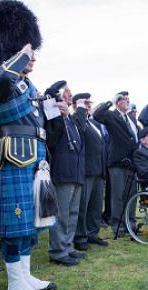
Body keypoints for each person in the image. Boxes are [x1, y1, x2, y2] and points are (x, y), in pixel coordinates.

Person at [0, 1, 55, 290]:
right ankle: (15, 285)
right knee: (15, 224)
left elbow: (36, 116)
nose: (32, 57)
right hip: (15, 157)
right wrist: (21, 57)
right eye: (27, 49)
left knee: (29, 225)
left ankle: (24, 277)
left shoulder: (25, 84)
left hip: (34, 157)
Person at [46, 82, 87, 267]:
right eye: (66, 91)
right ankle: (58, 251)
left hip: (76, 171)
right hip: (63, 171)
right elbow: (52, 139)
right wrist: (59, 114)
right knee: (62, 214)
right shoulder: (54, 112)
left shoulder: (70, 118)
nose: (70, 94)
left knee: (72, 212)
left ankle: (68, 247)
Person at [93, 93, 139, 235]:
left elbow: (136, 137)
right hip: (117, 161)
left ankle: (131, 223)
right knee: (118, 196)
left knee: (132, 194)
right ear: (118, 102)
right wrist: (110, 101)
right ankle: (118, 225)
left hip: (132, 162)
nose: (128, 102)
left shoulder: (131, 118)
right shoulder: (111, 115)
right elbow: (97, 114)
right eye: (125, 99)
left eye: (128, 99)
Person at [72, 93, 109, 249]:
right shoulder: (76, 119)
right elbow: (79, 132)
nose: (88, 105)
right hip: (86, 171)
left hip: (99, 171)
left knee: (95, 206)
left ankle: (93, 234)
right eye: (85, 102)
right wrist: (79, 110)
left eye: (89, 102)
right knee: (83, 207)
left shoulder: (93, 122)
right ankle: (80, 238)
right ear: (76, 104)